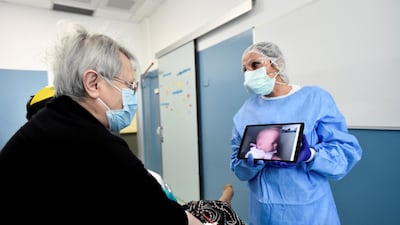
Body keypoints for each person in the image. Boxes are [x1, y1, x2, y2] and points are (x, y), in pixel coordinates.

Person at [0, 23, 203, 224]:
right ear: (93, 83)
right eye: (130, 86)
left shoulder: (50, 120)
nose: (132, 96)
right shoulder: (96, 144)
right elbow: (171, 218)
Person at [230, 41, 363, 225]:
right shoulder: (245, 113)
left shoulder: (315, 99)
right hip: (264, 213)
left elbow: (345, 151)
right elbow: (238, 168)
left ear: (278, 63)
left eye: (255, 65)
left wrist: (311, 155)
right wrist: (251, 163)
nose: (249, 73)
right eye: (245, 69)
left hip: (310, 212)